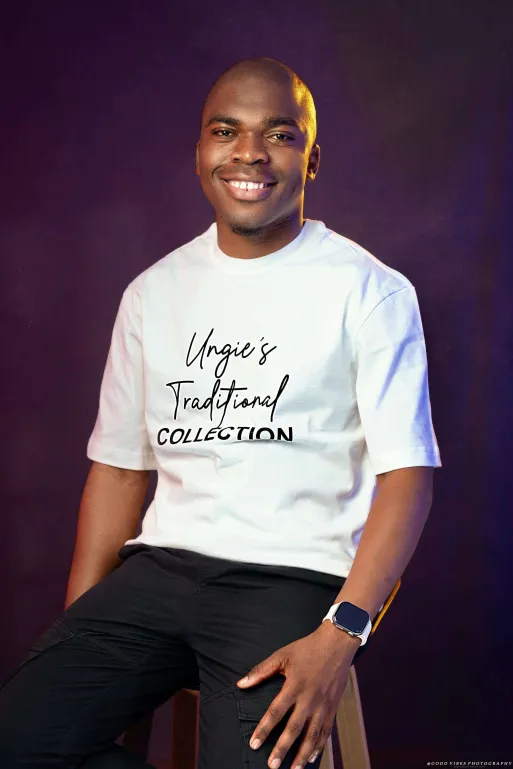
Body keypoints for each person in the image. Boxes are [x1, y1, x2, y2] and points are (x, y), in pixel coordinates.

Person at [0, 57, 441, 769]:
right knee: (19, 743)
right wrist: (80, 627)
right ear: (200, 151)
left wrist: (342, 634)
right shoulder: (152, 293)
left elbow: (406, 480)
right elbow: (119, 471)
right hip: (159, 573)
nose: (249, 153)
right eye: (226, 131)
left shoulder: (370, 292)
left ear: (312, 159)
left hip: (290, 580)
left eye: (280, 134)